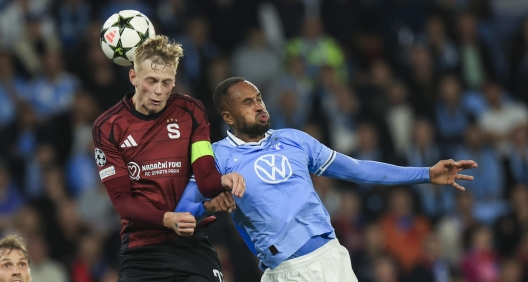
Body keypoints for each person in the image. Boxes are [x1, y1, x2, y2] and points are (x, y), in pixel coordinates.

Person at [176, 77, 478, 282]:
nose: (259, 106)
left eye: (259, 99)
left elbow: (358, 169)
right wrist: (210, 204)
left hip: (333, 257)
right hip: (287, 270)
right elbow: (182, 214)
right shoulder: (216, 157)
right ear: (227, 116)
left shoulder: (293, 140)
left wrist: (425, 174)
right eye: (248, 102)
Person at [91, 36, 245, 282]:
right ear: (133, 77)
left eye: (166, 82)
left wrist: (224, 180)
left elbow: (205, 176)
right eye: (151, 81)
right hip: (141, 252)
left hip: (191, 246)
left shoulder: (190, 112)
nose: (159, 91)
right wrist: (167, 219)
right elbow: (122, 201)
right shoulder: (108, 126)